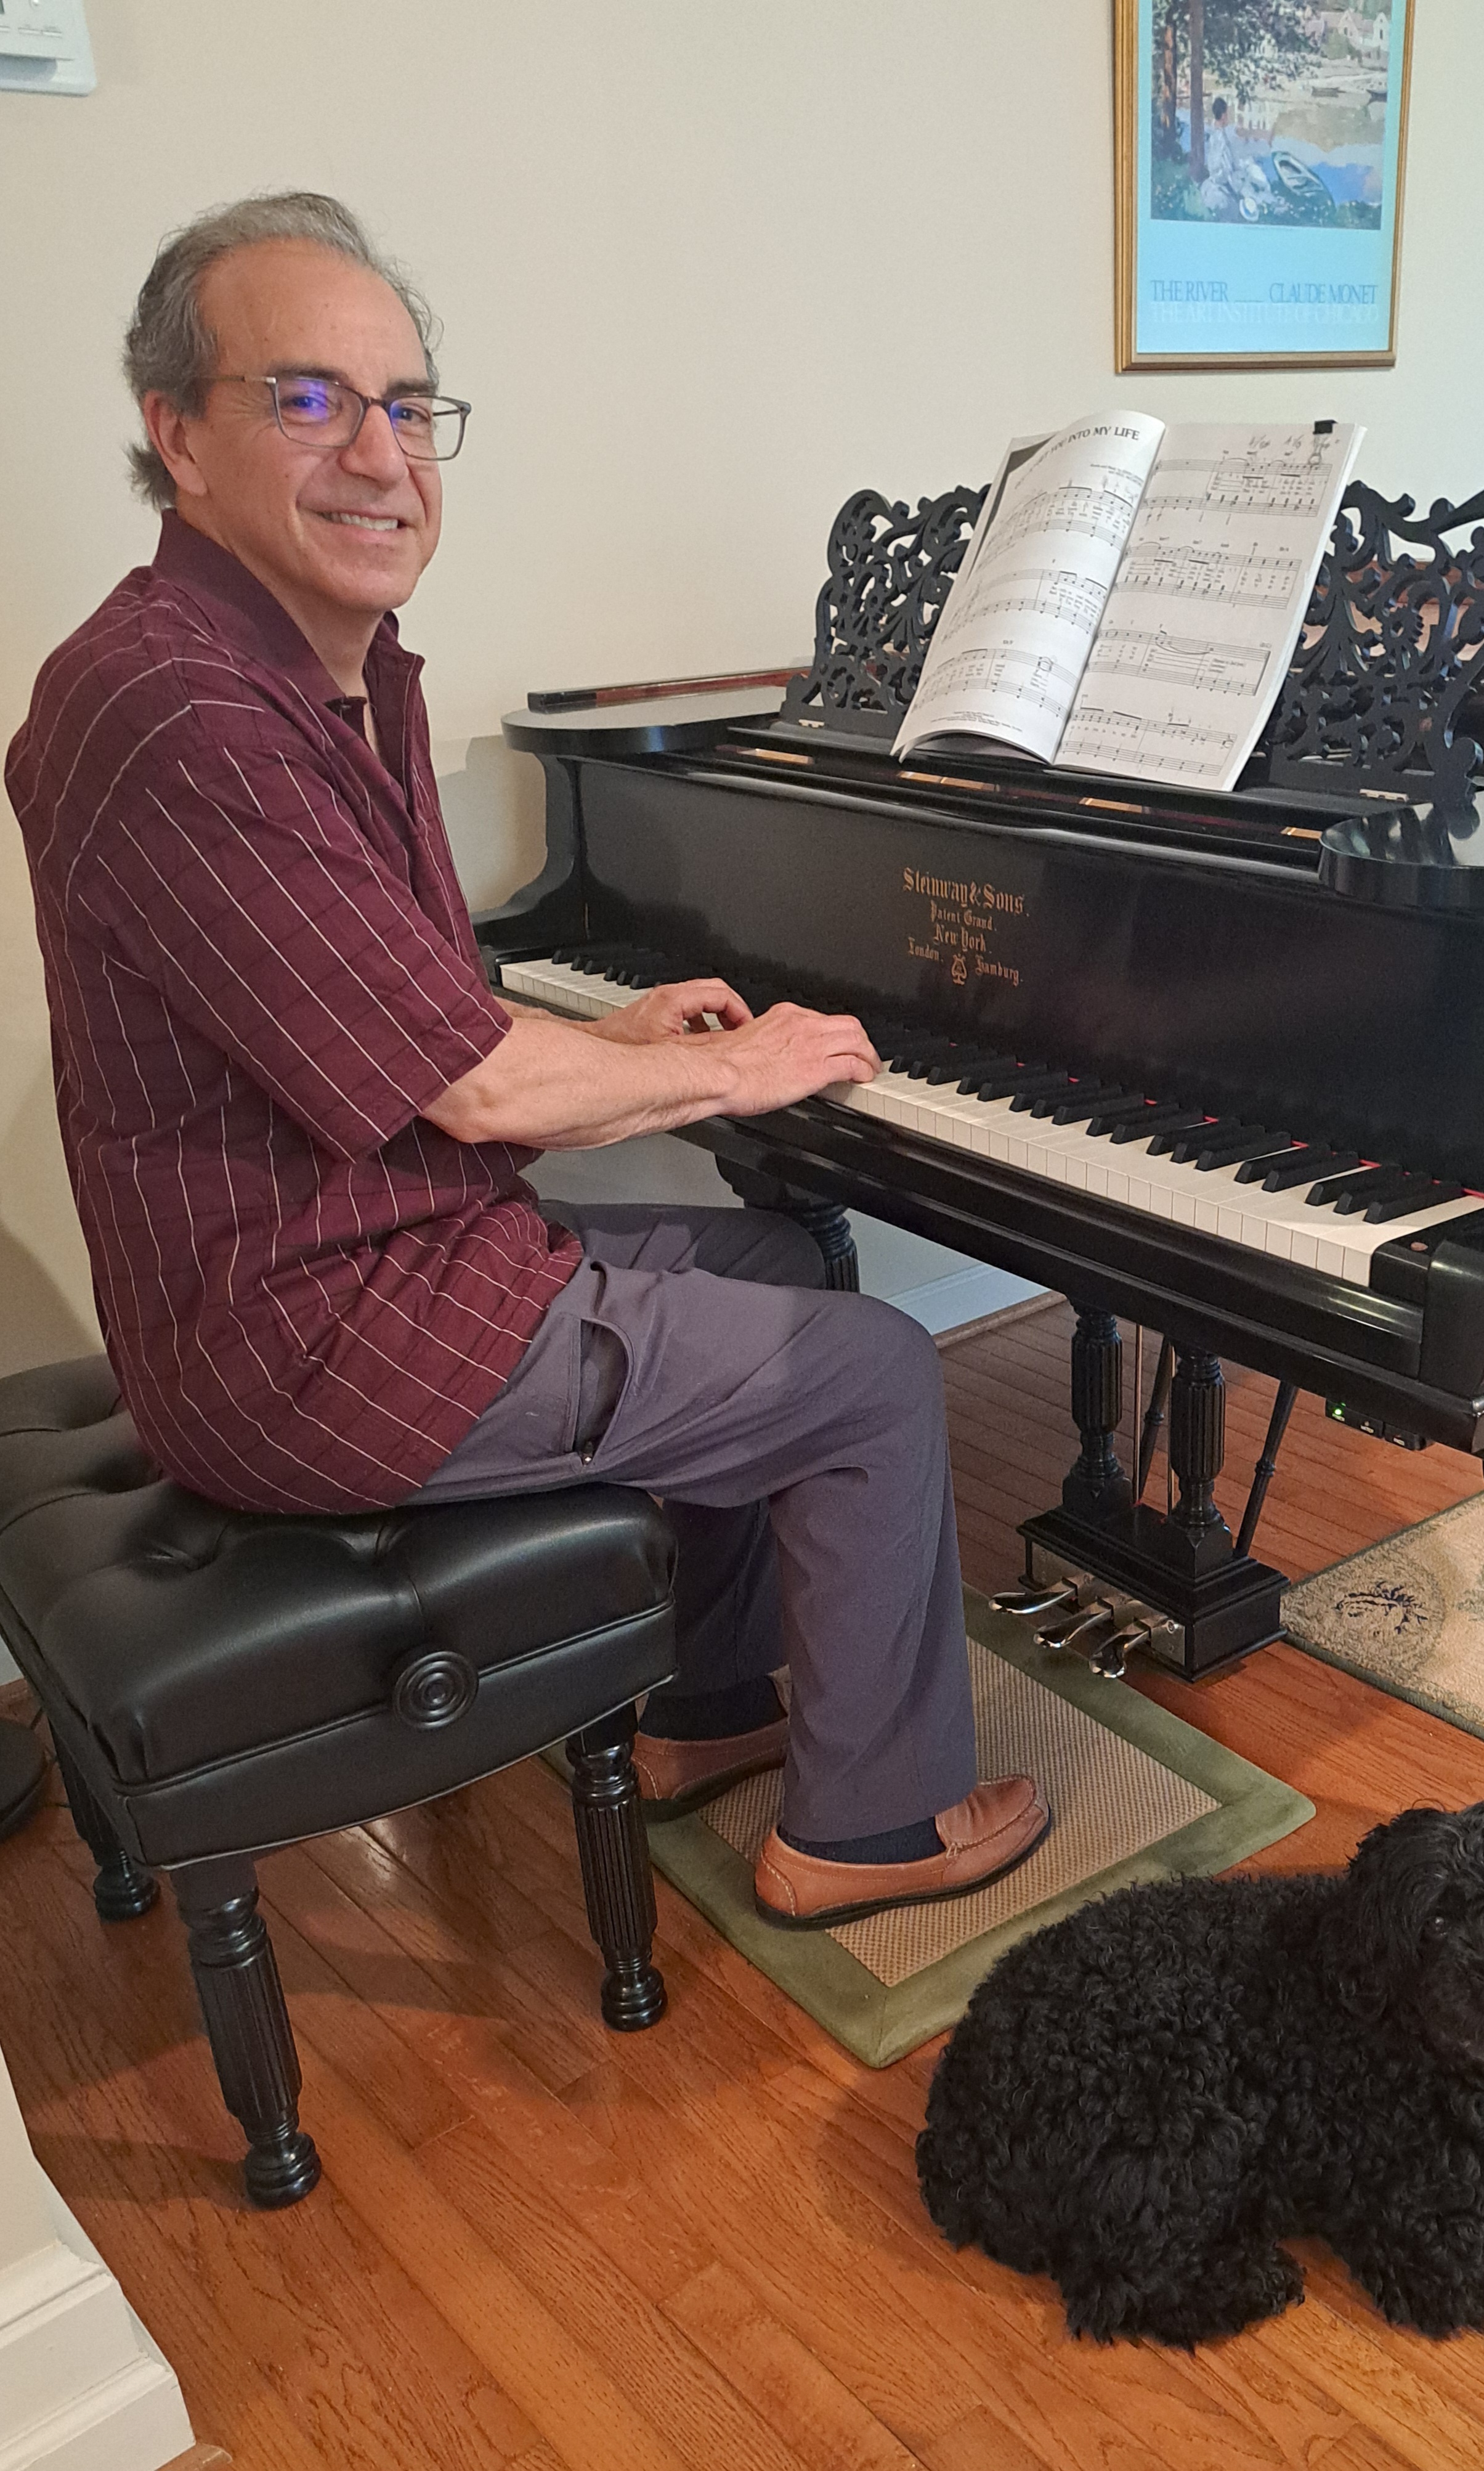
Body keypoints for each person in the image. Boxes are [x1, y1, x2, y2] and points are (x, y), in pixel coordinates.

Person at [6, 192, 1047, 1929]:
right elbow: (478, 1090)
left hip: (351, 1269)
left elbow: (385, 999)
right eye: (309, 399)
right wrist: (730, 1073)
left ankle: (709, 1704)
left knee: (782, 1255)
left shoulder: (307, 669)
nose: (381, 455)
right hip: (315, 1342)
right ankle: (866, 1830)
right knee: (872, 1369)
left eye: (408, 405)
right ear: (175, 434)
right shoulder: (178, 705)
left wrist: (612, 1035)